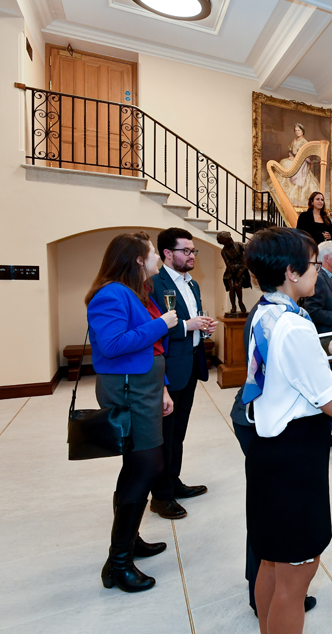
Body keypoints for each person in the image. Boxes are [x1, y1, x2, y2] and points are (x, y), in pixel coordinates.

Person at [241, 227, 332, 634]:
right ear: (292, 272)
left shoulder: (266, 310)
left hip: (269, 446)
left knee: (271, 560)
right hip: (293, 457)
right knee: (298, 573)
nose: (318, 272)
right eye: (314, 264)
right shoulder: (295, 327)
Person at [86, 232, 178, 593]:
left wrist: (164, 387)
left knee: (138, 465)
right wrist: (162, 324)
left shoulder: (135, 291)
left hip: (144, 388)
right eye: (152, 252)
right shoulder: (110, 293)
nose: (157, 256)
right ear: (138, 259)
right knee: (147, 466)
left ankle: (129, 540)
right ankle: (118, 562)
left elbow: (150, 346)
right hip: (128, 390)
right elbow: (110, 345)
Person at [229, 306, 316, 619]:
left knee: (271, 511)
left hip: (263, 417)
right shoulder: (274, 315)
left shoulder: (278, 310)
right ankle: (265, 593)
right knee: (272, 511)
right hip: (259, 421)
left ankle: (268, 586)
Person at [149, 228, 216, 520]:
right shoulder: (154, 284)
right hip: (168, 369)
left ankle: (173, 481)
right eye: (185, 251)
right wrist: (187, 327)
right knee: (163, 435)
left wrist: (203, 327)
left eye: (193, 251)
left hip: (189, 366)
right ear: (167, 254)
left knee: (178, 432)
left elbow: (192, 319)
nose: (191, 256)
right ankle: (160, 497)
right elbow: (155, 325)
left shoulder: (193, 284)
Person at [217, 231, 251, 317]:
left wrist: (240, 272)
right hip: (231, 271)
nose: (231, 241)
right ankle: (233, 306)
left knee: (237, 285)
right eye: (228, 241)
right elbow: (228, 264)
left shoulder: (239, 245)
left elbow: (245, 259)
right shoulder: (224, 251)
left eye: (230, 239)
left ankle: (240, 302)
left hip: (241, 269)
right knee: (231, 287)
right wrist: (233, 270)